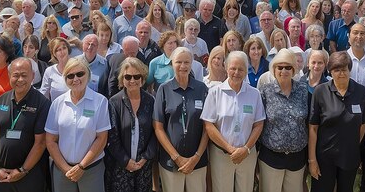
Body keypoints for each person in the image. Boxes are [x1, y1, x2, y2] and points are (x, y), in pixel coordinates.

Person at [201, 51, 265, 192]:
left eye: (241, 69)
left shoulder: (254, 94)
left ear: (246, 70)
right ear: (226, 67)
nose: (236, 72)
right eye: (233, 68)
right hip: (221, 154)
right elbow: (209, 125)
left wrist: (245, 149)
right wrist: (230, 149)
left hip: (247, 153)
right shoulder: (215, 92)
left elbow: (258, 124)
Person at [45, 57, 110, 192]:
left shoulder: (100, 101)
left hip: (91, 169)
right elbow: (51, 141)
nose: (76, 79)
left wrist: (81, 166)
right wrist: (66, 169)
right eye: (70, 76)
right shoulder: (57, 103)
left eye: (80, 74)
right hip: (63, 171)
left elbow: (102, 138)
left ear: (88, 75)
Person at [308, 52, 365, 192]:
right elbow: (313, 128)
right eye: (336, 70)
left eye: (344, 69)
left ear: (350, 70)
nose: (341, 73)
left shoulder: (361, 91)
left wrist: (354, 142)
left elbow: (364, 122)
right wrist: (312, 160)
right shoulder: (320, 92)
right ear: (330, 71)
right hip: (324, 157)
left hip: (349, 156)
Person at [0, 58, 50, 192]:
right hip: (2, 175)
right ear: (9, 76)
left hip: (29, 175)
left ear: (33, 76)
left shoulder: (42, 103)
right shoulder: (1, 100)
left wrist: (23, 170)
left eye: (24, 75)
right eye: (16, 75)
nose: (20, 79)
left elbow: (41, 143)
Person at [153, 47, 209, 192]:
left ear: (191, 64)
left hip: (197, 161)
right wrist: (176, 157)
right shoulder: (164, 89)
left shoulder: (202, 89)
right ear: (172, 64)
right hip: (170, 161)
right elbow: (158, 128)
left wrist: (196, 157)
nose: (183, 66)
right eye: (179, 62)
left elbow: (207, 127)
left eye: (186, 62)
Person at [259, 49, 309, 192]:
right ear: (274, 69)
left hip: (297, 158)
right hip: (271, 157)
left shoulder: (303, 91)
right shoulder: (265, 91)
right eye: (279, 67)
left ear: (293, 69)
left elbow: (309, 122)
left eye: (288, 67)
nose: (283, 70)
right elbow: (259, 123)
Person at [105, 57, 155, 192]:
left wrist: (145, 157)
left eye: (136, 76)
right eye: (128, 77)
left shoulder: (150, 101)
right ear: (122, 80)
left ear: (142, 78)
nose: (132, 80)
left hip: (144, 165)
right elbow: (111, 136)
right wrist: (126, 161)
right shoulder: (114, 102)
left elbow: (156, 133)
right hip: (120, 165)